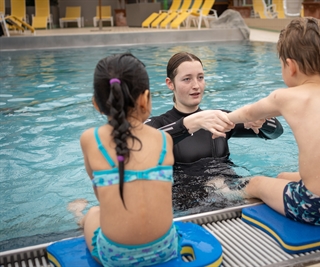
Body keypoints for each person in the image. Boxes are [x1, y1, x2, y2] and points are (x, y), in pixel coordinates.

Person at [225, 17, 320, 226]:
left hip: (315, 208)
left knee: (256, 183)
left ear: (290, 66)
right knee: (282, 176)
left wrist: (224, 119)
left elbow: (247, 114)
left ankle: (221, 197)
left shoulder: (287, 97)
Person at [79, 53, 179, 266]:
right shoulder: (164, 139)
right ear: (145, 98)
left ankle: (79, 214)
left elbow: (101, 197)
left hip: (116, 257)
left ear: (96, 103)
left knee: (92, 213)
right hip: (166, 249)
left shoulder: (90, 139)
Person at [145, 51, 284, 165]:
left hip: (232, 190)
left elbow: (276, 132)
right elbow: (138, 148)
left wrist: (261, 122)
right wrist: (192, 123)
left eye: (200, 77)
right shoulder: (158, 124)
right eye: (187, 79)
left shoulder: (217, 119)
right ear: (170, 83)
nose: (196, 85)